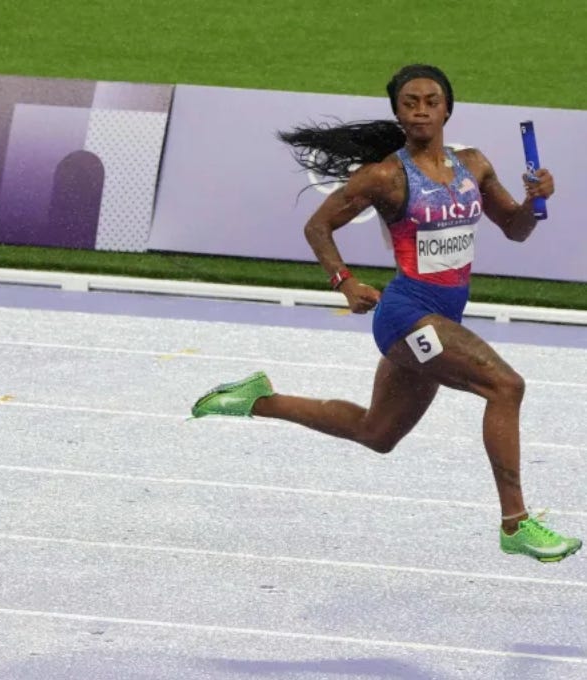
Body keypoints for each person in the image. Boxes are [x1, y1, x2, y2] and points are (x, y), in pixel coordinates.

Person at [190, 64, 581, 563]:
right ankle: (516, 524)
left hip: (443, 321)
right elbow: (317, 227)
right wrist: (345, 282)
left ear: (447, 110)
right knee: (505, 386)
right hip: (406, 316)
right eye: (409, 102)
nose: (420, 110)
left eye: (431, 101)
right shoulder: (385, 177)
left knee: (377, 433)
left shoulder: (474, 166)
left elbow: (517, 229)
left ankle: (257, 400)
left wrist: (533, 200)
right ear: (397, 112)